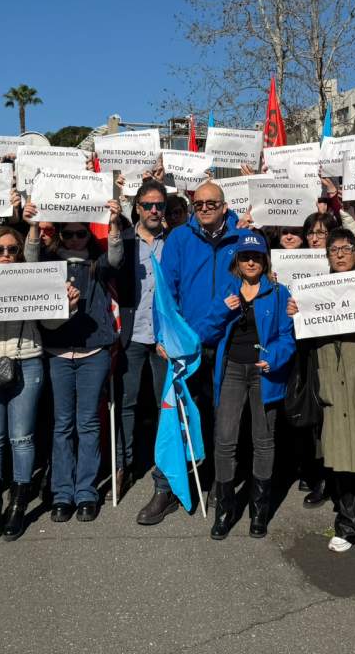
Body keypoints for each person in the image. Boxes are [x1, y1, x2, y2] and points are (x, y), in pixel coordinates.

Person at [289, 229, 355, 559]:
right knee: (340, 458)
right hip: (331, 385)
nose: (339, 254)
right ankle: (347, 525)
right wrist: (297, 314)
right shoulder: (315, 291)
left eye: (346, 248)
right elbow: (304, 341)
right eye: (334, 249)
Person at [145, 181, 242, 522]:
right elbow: (165, 293)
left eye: (211, 203)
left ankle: (218, 482)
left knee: (221, 418)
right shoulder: (179, 239)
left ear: (224, 206)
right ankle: (166, 487)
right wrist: (162, 335)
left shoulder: (240, 236)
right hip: (186, 346)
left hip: (227, 342)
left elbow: (245, 285)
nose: (204, 208)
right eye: (198, 203)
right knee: (176, 415)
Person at [26, 200, 122, 523]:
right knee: (62, 425)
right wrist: (34, 224)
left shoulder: (97, 262)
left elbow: (117, 257)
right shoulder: (50, 260)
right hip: (57, 353)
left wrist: (113, 222)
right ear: (61, 236)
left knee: (88, 423)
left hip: (93, 352)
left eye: (81, 233)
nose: (75, 239)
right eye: (69, 234)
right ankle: (61, 493)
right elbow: (29, 257)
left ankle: (86, 492)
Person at [197, 232, 295, 540]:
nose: (250, 261)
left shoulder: (278, 292)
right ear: (237, 261)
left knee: (263, 441)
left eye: (255, 256)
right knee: (225, 440)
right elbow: (205, 334)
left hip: (263, 373)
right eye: (244, 257)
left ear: (265, 260)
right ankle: (224, 511)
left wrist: (274, 360)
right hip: (232, 371)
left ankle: (258, 512)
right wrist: (222, 311)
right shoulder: (227, 290)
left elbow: (286, 338)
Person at [0, 226, 63, 540]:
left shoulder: (34, 279)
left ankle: (17, 506)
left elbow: (50, 323)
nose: (6, 255)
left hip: (28, 361)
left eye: (12, 250)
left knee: (22, 438)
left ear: (21, 253)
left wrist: (66, 305)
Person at [114, 181, 170, 507]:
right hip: (131, 334)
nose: (153, 211)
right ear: (136, 207)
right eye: (147, 205)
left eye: (159, 206)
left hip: (164, 338)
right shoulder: (121, 241)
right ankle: (124, 464)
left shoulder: (174, 242)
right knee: (126, 403)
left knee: (166, 407)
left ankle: (164, 473)